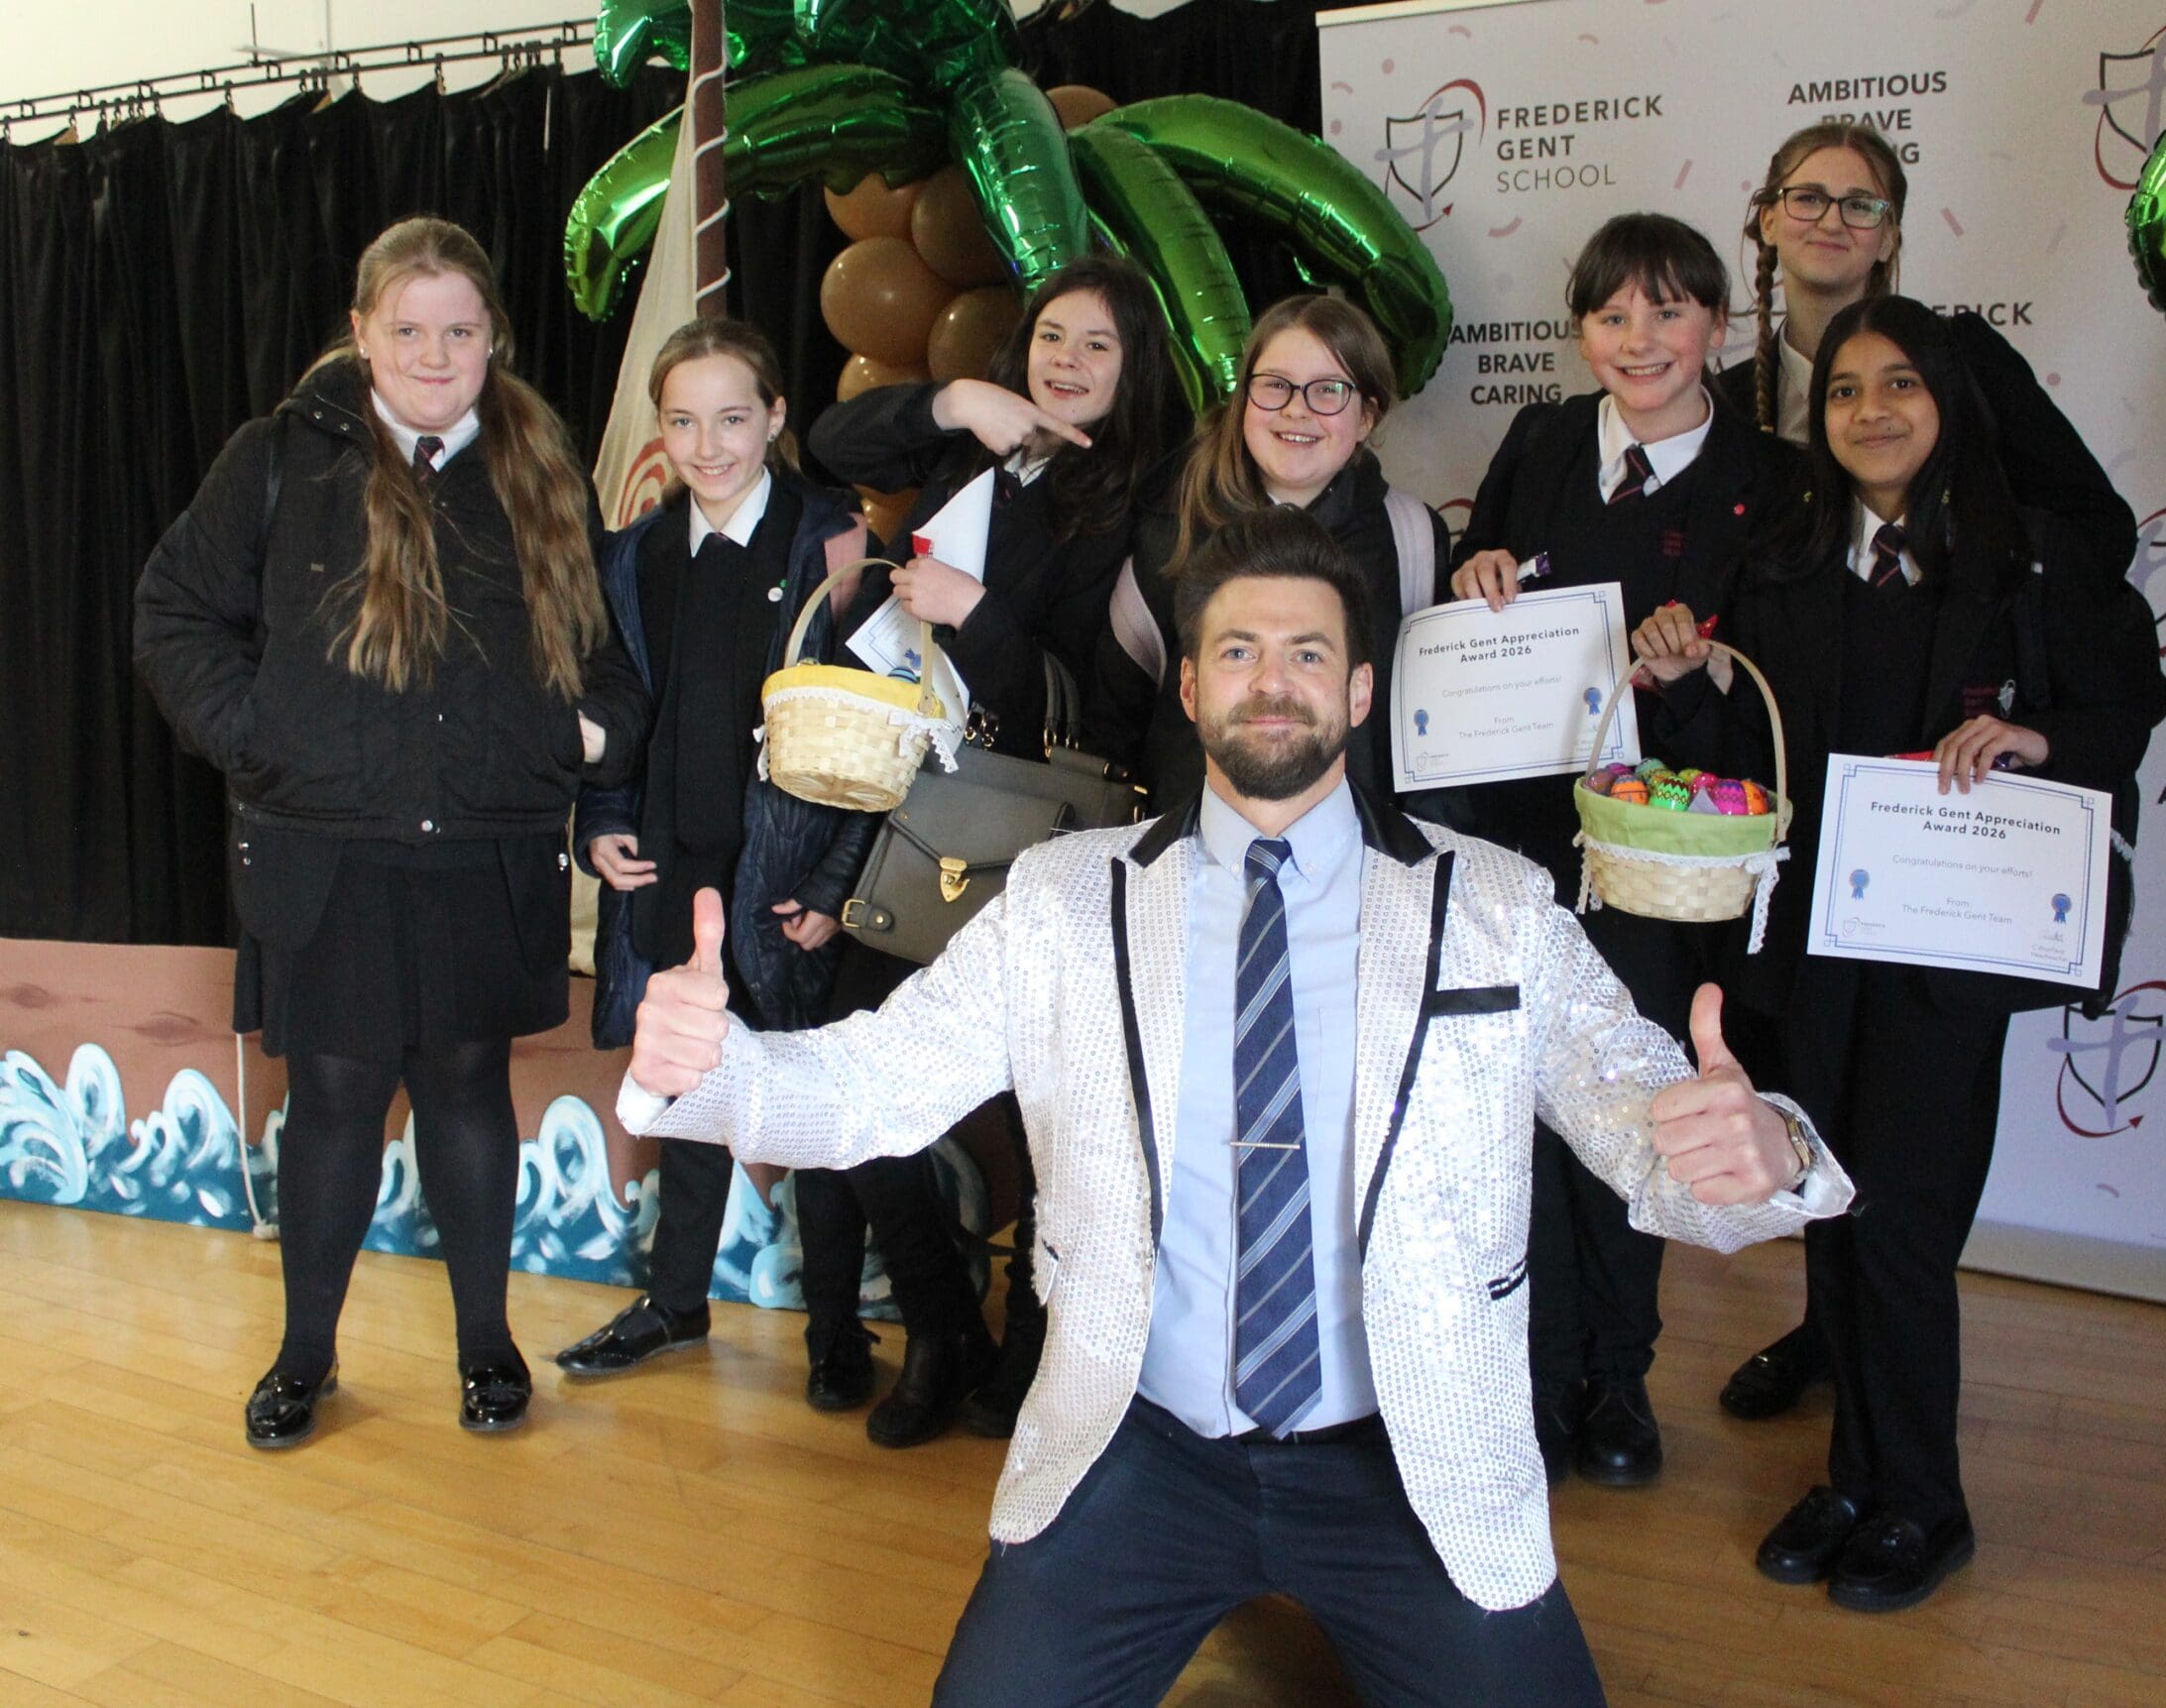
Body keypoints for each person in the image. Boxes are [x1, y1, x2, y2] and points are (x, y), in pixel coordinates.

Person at [623, 507, 1853, 1707]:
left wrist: (1762, 1150)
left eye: (1308, 654)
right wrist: (716, 1067)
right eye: (1239, 652)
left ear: (1359, 693)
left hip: (1410, 1453)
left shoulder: (1494, 904)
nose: (1272, 681)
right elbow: (872, 1088)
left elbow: (1642, 1114)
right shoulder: (1060, 900)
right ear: (1190, 689)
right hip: (1138, 1446)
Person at [1631, 295, 2166, 1610]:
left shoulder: (2029, 554)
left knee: (1906, 1228)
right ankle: (1851, 1481)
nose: (1871, 411)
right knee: (1830, 1206)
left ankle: (1924, 1500)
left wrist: (2040, 740)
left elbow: (2126, 704)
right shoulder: (1789, 555)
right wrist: (1682, 683)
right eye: (1845, 390)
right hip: (1811, 946)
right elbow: (1741, 750)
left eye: (1901, 384)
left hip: (1947, 955)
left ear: (1950, 402)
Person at [133, 215, 647, 1447]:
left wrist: (576, 740)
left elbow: (608, 667)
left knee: (467, 1087)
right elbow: (173, 614)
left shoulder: (540, 470)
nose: (433, 353)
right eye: (408, 329)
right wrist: (262, 736)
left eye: (458, 330)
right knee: (334, 1096)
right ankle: (305, 1355)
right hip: (327, 849)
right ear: (362, 332)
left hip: (484, 848)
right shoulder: (278, 457)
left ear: (492, 338)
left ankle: (487, 1347)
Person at [1710, 118, 2139, 1421]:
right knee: (1824, 1125)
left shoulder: (1965, 366)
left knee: (1904, 1165)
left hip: (1945, 862)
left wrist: (1992, 599)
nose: (1831, 221)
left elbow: (2095, 531)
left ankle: (1886, 1417)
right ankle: (1832, 1339)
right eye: (1807, 197)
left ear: (1891, 230)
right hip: (1811, 851)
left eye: (1861, 202)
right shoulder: (1728, 395)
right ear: (1766, 219)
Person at [807, 254, 1183, 1445]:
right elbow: (829, 441)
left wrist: (979, 616)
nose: (1067, 363)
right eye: (1052, 337)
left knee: (1044, 1116)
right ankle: (939, 1326)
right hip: (922, 822)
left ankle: (1030, 1348)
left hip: (1042, 841)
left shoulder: (1150, 499)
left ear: (1135, 370)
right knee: (856, 1074)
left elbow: (1106, 710)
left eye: (1098, 346)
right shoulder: (978, 453)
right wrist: (954, 402)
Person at [1448, 212, 1786, 1490]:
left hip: (1657, 861)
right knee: (1515, 1117)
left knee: (1629, 1109)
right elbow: (1478, 599)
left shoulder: (1769, 478)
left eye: (1668, 311)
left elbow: (1777, 700)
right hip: (1519, 841)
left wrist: (1689, 684)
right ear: (1581, 330)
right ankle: (1535, 1375)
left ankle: (1618, 1377)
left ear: (1717, 326)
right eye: (1611, 315)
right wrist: (1479, 569)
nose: (1639, 340)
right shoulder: (1540, 442)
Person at [557, 317, 886, 1410]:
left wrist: (836, 887)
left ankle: (836, 1328)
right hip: (672, 869)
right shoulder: (634, 555)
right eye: (683, 421)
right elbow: (618, 706)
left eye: (733, 418)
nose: (707, 446)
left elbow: (883, 728)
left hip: (787, 882)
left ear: (776, 417)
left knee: (818, 1102)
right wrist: (601, 818)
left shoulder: (832, 544)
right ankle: (675, 1301)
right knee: (686, 1088)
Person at [1083, 291, 1449, 808]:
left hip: (1367, 850)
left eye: (1328, 391)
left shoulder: (1412, 537)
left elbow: (1435, 733)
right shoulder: (1170, 530)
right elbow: (1113, 725)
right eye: (1276, 385)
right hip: (1192, 845)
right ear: (1244, 400)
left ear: (1366, 417)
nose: (1297, 410)